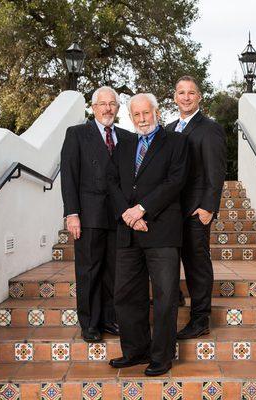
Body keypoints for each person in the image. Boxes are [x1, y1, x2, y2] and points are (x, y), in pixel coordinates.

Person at [107, 93, 188, 376]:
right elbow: (112, 182)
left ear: (157, 112)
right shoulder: (124, 145)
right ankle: (135, 351)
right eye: (136, 115)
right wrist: (129, 217)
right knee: (126, 295)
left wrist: (142, 209)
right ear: (130, 117)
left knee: (165, 296)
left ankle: (162, 357)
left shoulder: (176, 142)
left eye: (146, 113)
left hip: (162, 231)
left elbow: (175, 181)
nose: (142, 119)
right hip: (129, 233)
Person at [60, 86, 132, 343]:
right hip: (88, 216)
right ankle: (89, 323)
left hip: (118, 216)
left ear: (118, 108)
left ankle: (110, 319)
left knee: (114, 271)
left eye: (112, 104)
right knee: (89, 270)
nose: (107, 109)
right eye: (102, 104)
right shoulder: (77, 134)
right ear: (93, 107)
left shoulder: (127, 137)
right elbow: (69, 176)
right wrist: (72, 214)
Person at [165, 76, 227, 339]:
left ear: (199, 97)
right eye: (181, 92)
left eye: (191, 93)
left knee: (196, 264)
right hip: (170, 210)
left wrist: (208, 208)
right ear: (175, 97)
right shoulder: (168, 129)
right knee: (169, 259)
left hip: (195, 211)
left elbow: (216, 171)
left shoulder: (209, 129)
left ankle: (200, 319)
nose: (186, 97)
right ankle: (175, 298)